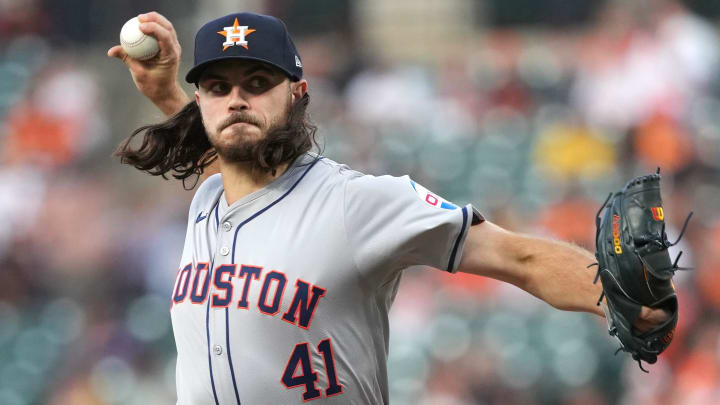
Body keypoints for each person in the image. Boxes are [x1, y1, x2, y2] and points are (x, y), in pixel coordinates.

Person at [108, 11, 667, 405]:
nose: (236, 99)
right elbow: (228, 159)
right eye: (217, 86)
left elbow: (515, 256)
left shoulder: (356, 203)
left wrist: (616, 298)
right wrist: (164, 96)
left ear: (297, 95)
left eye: (258, 83)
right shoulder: (211, 199)